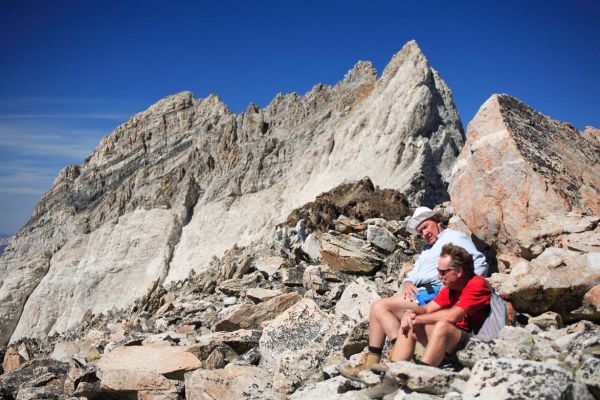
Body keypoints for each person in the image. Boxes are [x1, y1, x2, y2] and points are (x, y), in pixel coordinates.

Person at [340, 207, 489, 380]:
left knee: (381, 306)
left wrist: (456, 288)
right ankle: (372, 364)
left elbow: (479, 263)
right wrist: (407, 282)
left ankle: (397, 359)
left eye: (426, 227)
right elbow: (414, 274)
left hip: (436, 295)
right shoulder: (426, 250)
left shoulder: (454, 237)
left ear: (436, 222)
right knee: (377, 308)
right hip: (420, 293)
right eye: (420, 231)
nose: (424, 233)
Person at [389, 243, 491, 367]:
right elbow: (427, 309)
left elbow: (452, 316)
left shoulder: (476, 284)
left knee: (442, 326)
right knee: (410, 322)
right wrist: (411, 314)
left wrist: (417, 318)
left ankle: (420, 376)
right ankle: (393, 372)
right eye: (438, 271)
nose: (439, 276)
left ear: (458, 271)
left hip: (477, 344)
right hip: (455, 341)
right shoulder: (452, 288)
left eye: (443, 272)